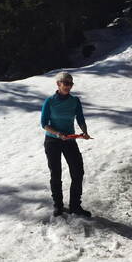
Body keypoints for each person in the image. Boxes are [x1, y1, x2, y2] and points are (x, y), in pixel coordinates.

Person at [40, 71, 92, 218]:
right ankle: (58, 206)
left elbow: (80, 118)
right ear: (58, 84)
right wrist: (58, 134)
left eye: (71, 83)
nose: (69, 86)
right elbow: (44, 124)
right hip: (52, 141)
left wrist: (84, 132)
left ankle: (75, 206)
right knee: (55, 173)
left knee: (78, 172)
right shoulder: (49, 101)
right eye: (66, 83)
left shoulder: (75, 101)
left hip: (69, 140)